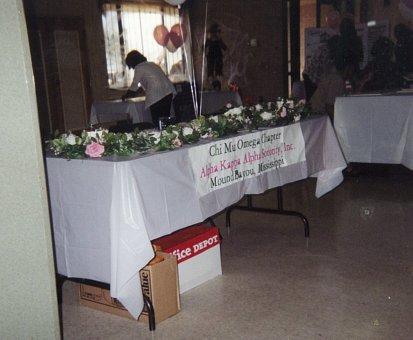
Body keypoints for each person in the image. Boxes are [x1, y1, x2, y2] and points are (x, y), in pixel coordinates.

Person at [122, 50, 176, 126]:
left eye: (131, 65)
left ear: (133, 62)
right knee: (165, 120)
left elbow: (134, 86)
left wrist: (126, 96)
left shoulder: (139, 67)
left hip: (157, 96)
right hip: (168, 93)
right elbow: (148, 82)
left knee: (158, 122)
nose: (133, 68)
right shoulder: (151, 64)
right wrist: (136, 91)